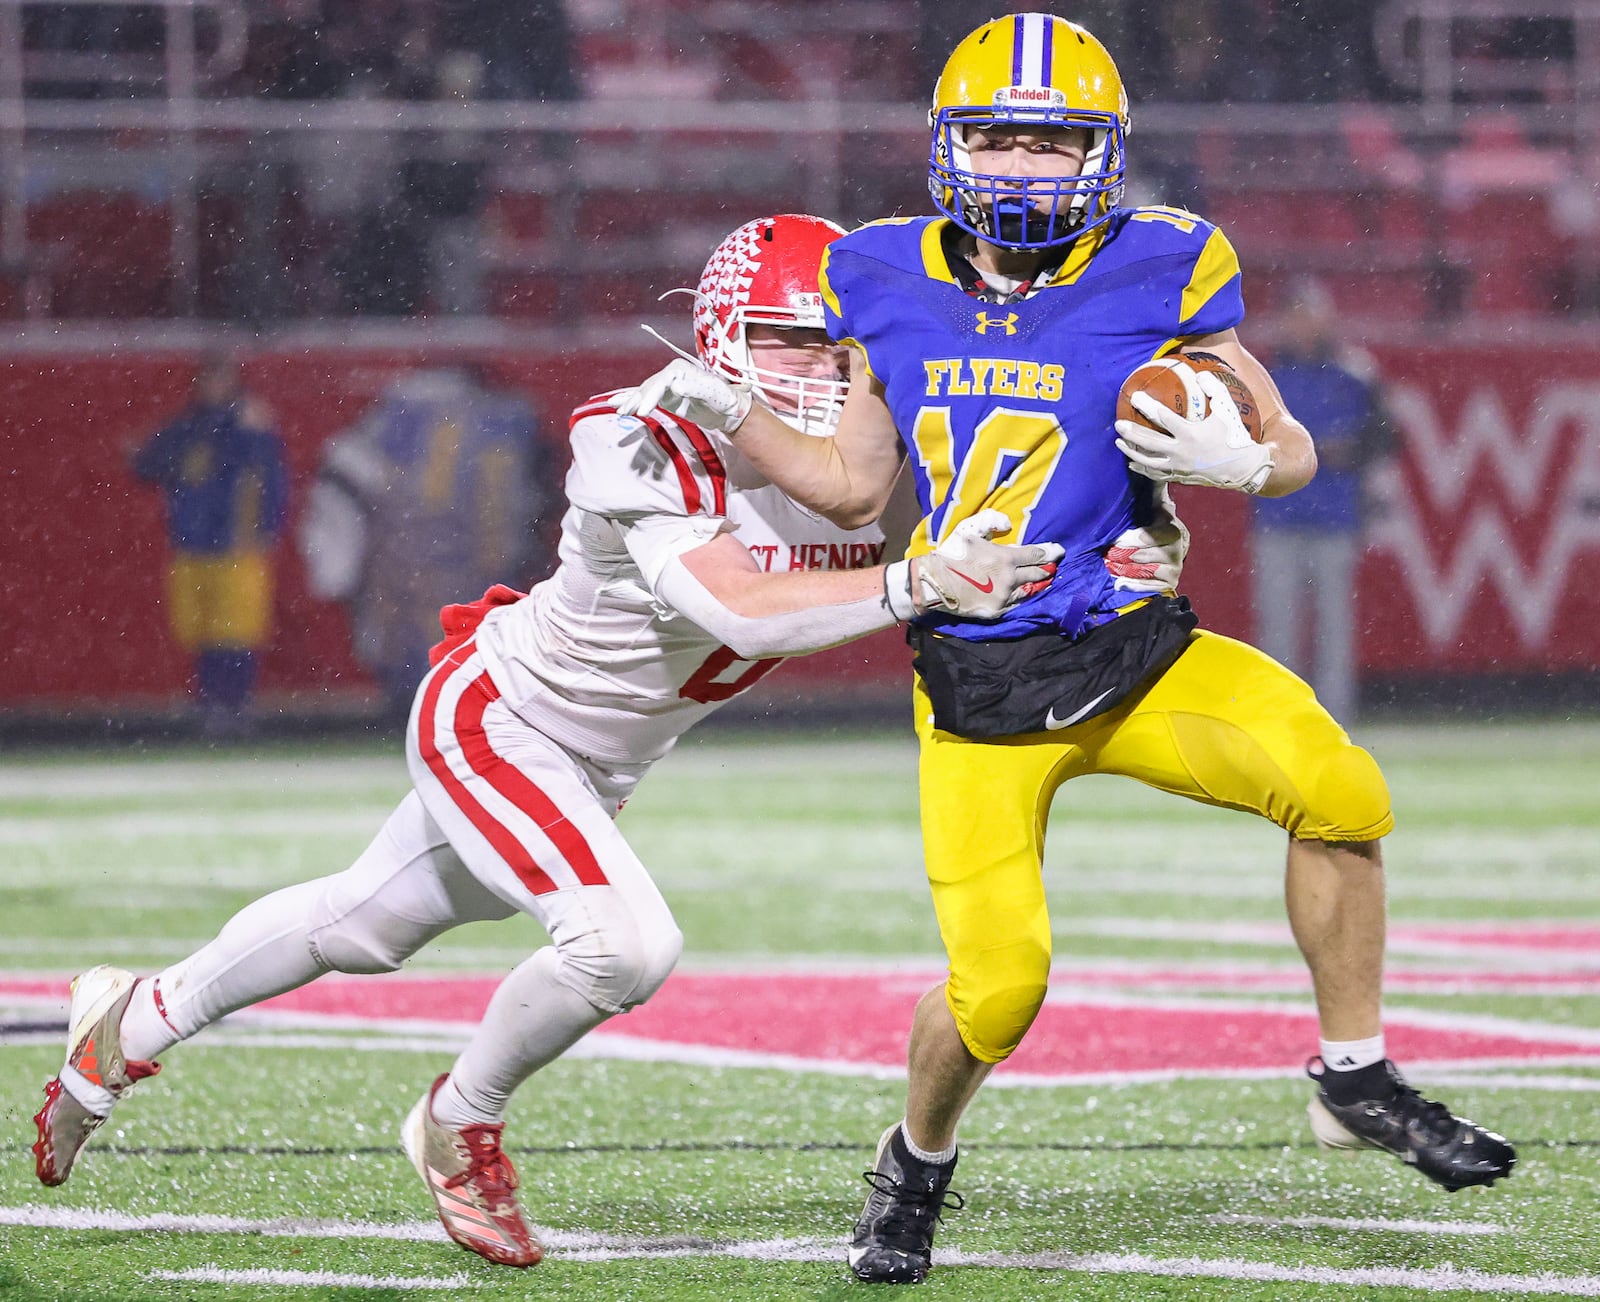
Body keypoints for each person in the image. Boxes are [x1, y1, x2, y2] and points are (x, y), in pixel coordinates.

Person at [32, 213, 1181, 1270]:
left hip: (603, 759)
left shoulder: (894, 449)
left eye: (846, 347)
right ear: (721, 337)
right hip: (503, 717)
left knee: (365, 924)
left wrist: (1121, 552)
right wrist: (917, 581)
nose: (826, 369)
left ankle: (122, 1026)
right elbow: (738, 607)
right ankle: (457, 1122)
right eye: (791, 340)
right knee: (621, 947)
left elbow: (1027, 527)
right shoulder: (644, 433)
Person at [620, 16, 1515, 1286]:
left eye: (1054, 143)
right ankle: (914, 1158)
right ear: (949, 145)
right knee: (998, 991)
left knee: (1340, 790)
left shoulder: (1165, 262)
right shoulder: (878, 272)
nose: (1025, 166)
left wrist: (1245, 462)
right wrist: (737, 420)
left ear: (1105, 154)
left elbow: (1289, 444)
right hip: (979, 684)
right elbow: (852, 484)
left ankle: (1355, 1075)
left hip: (1134, 650)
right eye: (1000, 138)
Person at [297, 365, 558, 724]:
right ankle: (433, 702)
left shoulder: (464, 422)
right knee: (446, 632)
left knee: (439, 630)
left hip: (453, 553)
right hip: (459, 554)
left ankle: (427, 703)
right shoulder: (493, 420)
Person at [1251, 276, 1394, 723]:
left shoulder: (1354, 375)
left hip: (1333, 514)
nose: (1304, 324)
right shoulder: (1267, 377)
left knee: (1333, 627)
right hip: (1281, 515)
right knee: (1279, 628)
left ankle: (1333, 718)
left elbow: (1387, 436)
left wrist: (1351, 451)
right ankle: (1282, 716)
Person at [129, 354, 290, 737]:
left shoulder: (248, 428)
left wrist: (266, 528)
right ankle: (212, 705)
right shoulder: (188, 428)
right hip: (194, 543)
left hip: (236, 544)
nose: (214, 387)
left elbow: (272, 480)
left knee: (236, 631)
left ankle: (234, 705)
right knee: (202, 631)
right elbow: (146, 466)